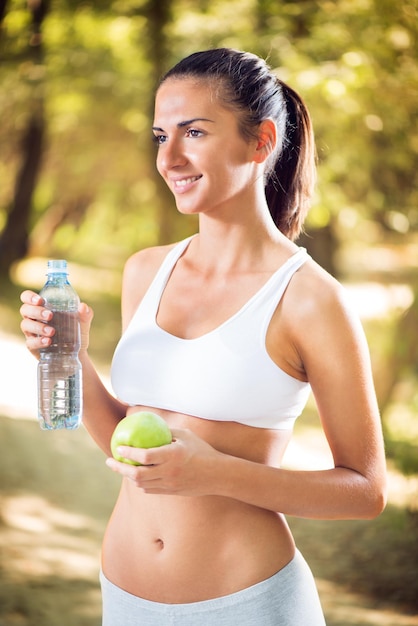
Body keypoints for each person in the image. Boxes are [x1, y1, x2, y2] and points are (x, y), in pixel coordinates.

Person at [20, 48, 387, 625]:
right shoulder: (146, 270)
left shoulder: (310, 298)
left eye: (193, 132)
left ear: (261, 141)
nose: (170, 157)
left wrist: (215, 472)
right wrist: (69, 357)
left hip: (246, 604)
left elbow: (366, 491)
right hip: (126, 598)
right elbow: (130, 445)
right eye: (160, 135)